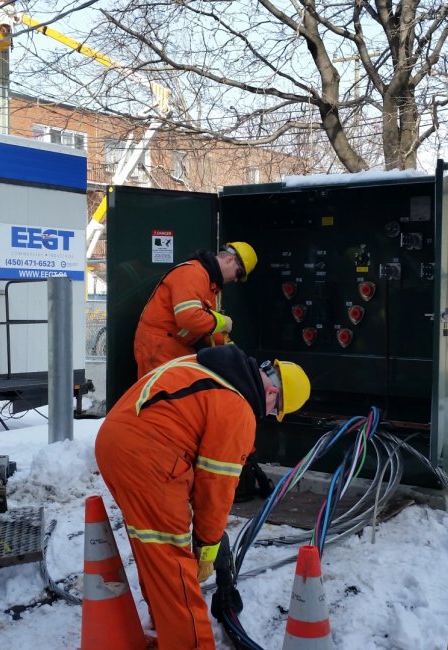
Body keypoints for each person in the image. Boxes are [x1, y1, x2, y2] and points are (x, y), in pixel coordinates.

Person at [94, 345, 310, 649]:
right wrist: (208, 546)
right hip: (148, 456)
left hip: (116, 445)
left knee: (155, 550)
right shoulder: (237, 408)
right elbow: (215, 488)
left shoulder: (205, 366)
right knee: (174, 561)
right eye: (275, 411)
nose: (268, 415)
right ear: (273, 393)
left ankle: (162, 624)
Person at [133, 242, 258, 378]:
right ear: (229, 260)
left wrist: (231, 350)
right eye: (239, 273)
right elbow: (188, 317)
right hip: (157, 344)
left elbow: (209, 329)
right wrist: (222, 322)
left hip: (177, 345)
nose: (235, 279)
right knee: (161, 395)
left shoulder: (214, 286)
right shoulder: (193, 272)